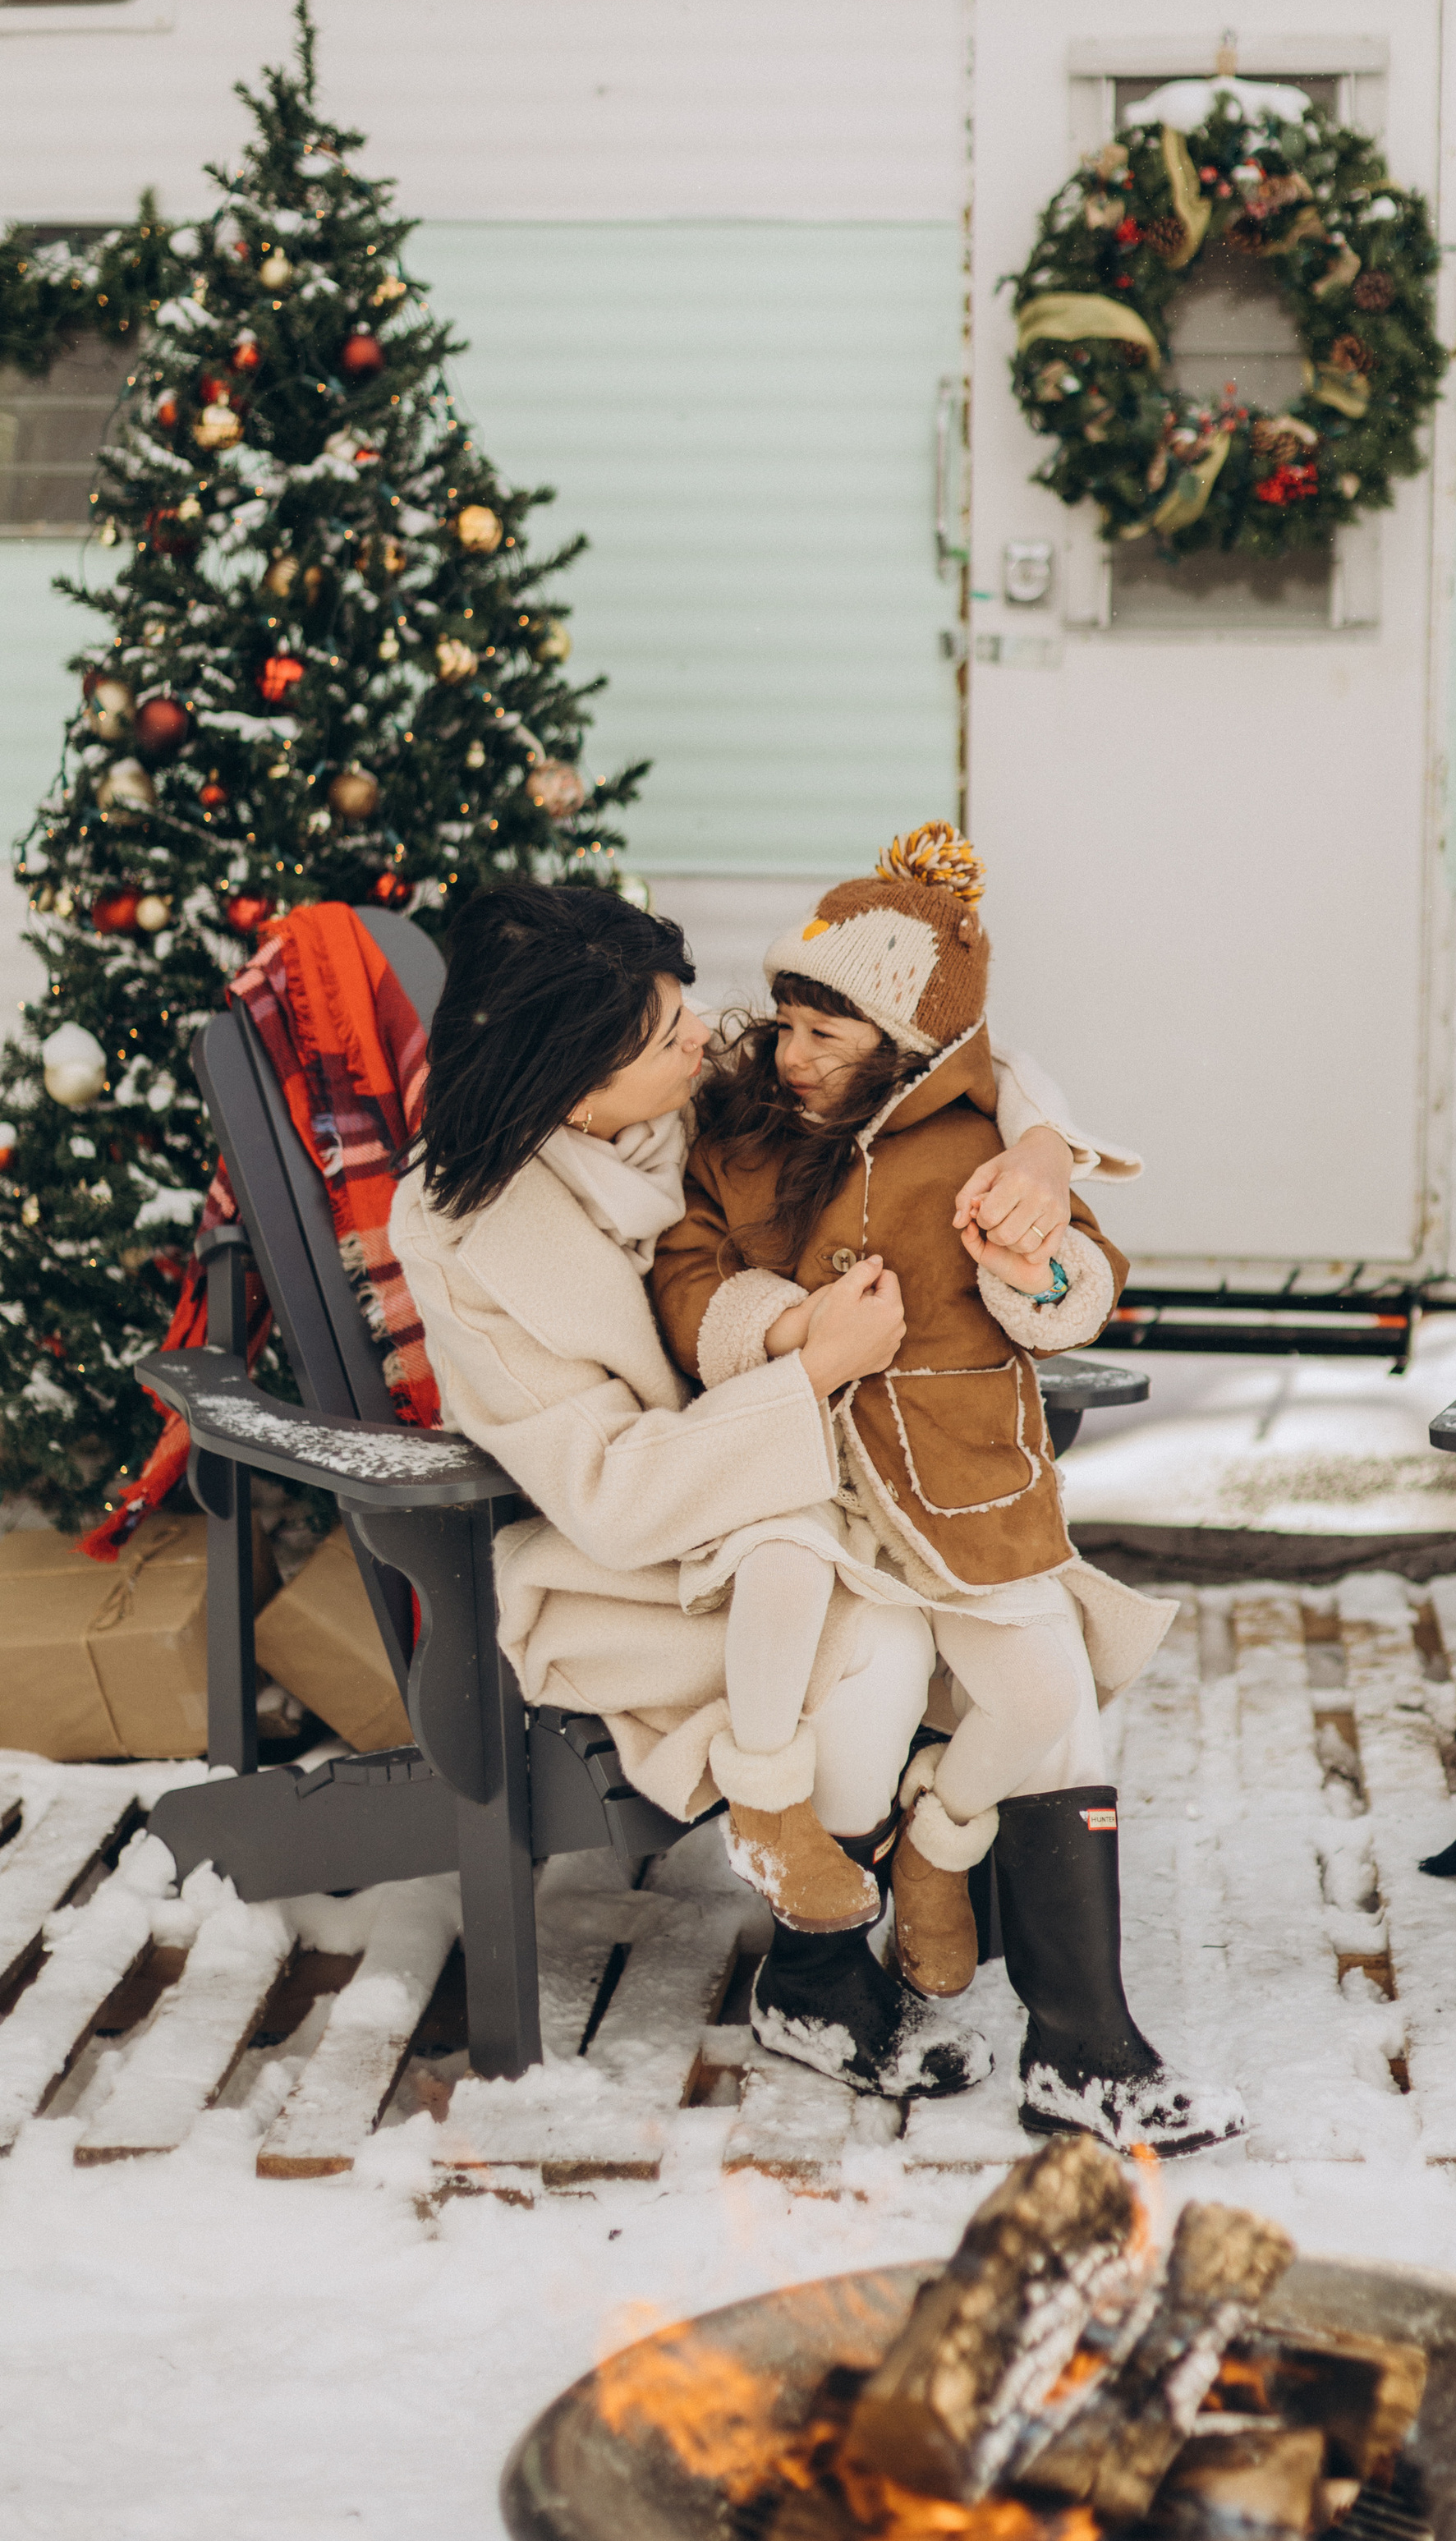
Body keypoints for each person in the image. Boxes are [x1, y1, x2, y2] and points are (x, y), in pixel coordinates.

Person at [388, 875, 1118, 2106]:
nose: (707, 1036)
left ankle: (1083, 2024)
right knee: (880, 1643)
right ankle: (818, 1971)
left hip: (796, 1501)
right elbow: (611, 1494)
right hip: (626, 1567)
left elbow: (935, 1051)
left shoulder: (675, 1109)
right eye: (668, 1033)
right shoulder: (472, 1241)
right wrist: (811, 1366)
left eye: (684, 1012)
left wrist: (1039, 1141)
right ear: (575, 1086)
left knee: (1024, 1627)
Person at [650, 822, 1245, 2156]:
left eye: (831, 1034)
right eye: (789, 1019)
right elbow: (688, 1283)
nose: (792, 1053)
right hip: (807, 1489)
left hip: (960, 1485)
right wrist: (788, 1326)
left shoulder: (981, 1135)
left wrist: (1028, 1261)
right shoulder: (738, 1137)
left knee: (1046, 1694)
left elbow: (1076, 1283)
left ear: (908, 1048)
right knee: (866, 1686)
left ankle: (967, 1873)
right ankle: (827, 1976)